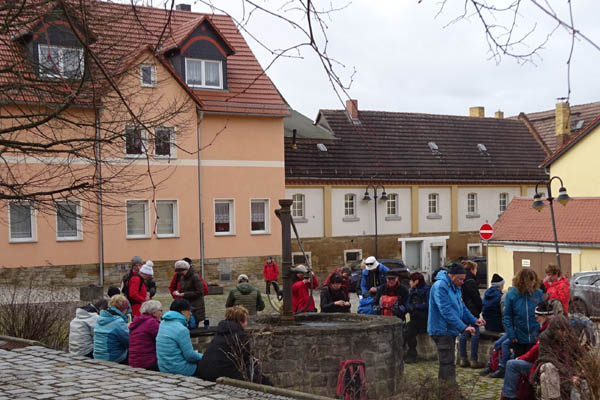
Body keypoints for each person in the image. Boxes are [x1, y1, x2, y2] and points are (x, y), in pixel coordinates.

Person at [427, 263, 485, 389]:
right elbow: (446, 311)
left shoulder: (455, 286)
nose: (462, 282)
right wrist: (463, 327)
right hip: (442, 330)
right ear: (451, 276)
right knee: (447, 363)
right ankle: (449, 392)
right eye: (460, 279)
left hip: (450, 330)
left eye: (463, 279)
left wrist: (474, 320)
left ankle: (446, 391)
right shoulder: (440, 287)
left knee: (449, 363)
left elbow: (461, 307)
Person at [197, 306, 271, 384]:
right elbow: (246, 360)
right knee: (260, 378)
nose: (246, 324)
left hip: (204, 370)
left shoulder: (220, 332)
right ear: (240, 321)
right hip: (219, 373)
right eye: (246, 320)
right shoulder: (240, 335)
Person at [493, 268, 544, 379]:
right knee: (519, 366)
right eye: (530, 281)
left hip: (535, 336)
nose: (533, 283)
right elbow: (507, 316)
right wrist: (511, 334)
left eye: (534, 281)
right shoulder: (512, 295)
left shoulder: (538, 293)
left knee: (534, 366)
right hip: (519, 337)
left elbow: (543, 314)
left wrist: (542, 332)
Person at [501, 301, 554, 400]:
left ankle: (509, 396)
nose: (537, 320)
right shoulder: (552, 327)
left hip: (543, 364)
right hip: (546, 362)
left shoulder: (547, 332)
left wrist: (521, 358)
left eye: (537, 317)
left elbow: (535, 352)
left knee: (511, 364)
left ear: (544, 316)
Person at [156, 299, 203, 376]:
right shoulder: (182, 329)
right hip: (179, 369)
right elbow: (190, 356)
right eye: (189, 311)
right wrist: (205, 356)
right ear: (183, 312)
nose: (191, 313)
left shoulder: (163, 323)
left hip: (164, 368)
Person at [458, 260, 484, 368]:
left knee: (464, 333)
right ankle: (473, 360)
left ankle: (463, 358)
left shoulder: (462, 280)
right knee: (475, 334)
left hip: (463, 310)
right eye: (476, 269)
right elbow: (476, 297)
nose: (477, 271)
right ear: (472, 269)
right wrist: (480, 308)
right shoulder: (471, 281)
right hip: (472, 311)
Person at [93, 294, 130, 363]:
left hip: (97, 356)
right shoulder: (118, 321)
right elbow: (128, 342)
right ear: (124, 309)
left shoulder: (100, 318)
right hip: (113, 358)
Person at [403, 272, 430, 363]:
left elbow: (428, 305)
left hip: (423, 318)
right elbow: (407, 302)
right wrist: (409, 307)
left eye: (411, 280)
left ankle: (412, 354)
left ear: (417, 281)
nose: (410, 282)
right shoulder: (412, 290)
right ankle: (405, 351)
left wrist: (416, 306)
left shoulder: (427, 290)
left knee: (409, 330)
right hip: (413, 316)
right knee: (406, 328)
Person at [128, 300, 162, 370]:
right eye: (160, 310)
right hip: (147, 361)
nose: (162, 313)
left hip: (133, 360)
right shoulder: (152, 323)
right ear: (154, 313)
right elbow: (163, 338)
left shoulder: (138, 321)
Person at [172, 260, 206, 324]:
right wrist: (178, 292)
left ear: (186, 269)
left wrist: (184, 294)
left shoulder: (195, 277)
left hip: (195, 306)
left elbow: (200, 292)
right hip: (186, 304)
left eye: (180, 271)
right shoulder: (182, 277)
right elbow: (184, 288)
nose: (179, 273)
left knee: (193, 324)